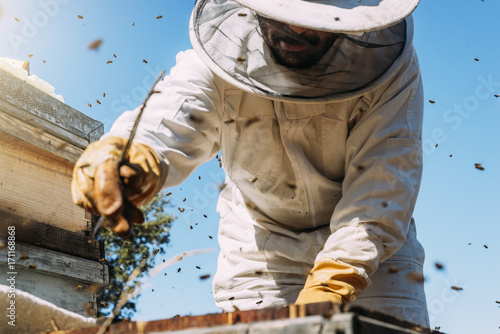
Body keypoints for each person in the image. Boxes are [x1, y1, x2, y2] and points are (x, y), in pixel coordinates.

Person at [72, 0, 429, 327]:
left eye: (316, 15)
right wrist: (133, 156)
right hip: (260, 254)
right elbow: (173, 114)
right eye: (288, 11)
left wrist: (332, 284)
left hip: (374, 255)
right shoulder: (215, 64)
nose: (299, 29)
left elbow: (382, 189)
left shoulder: (390, 75)